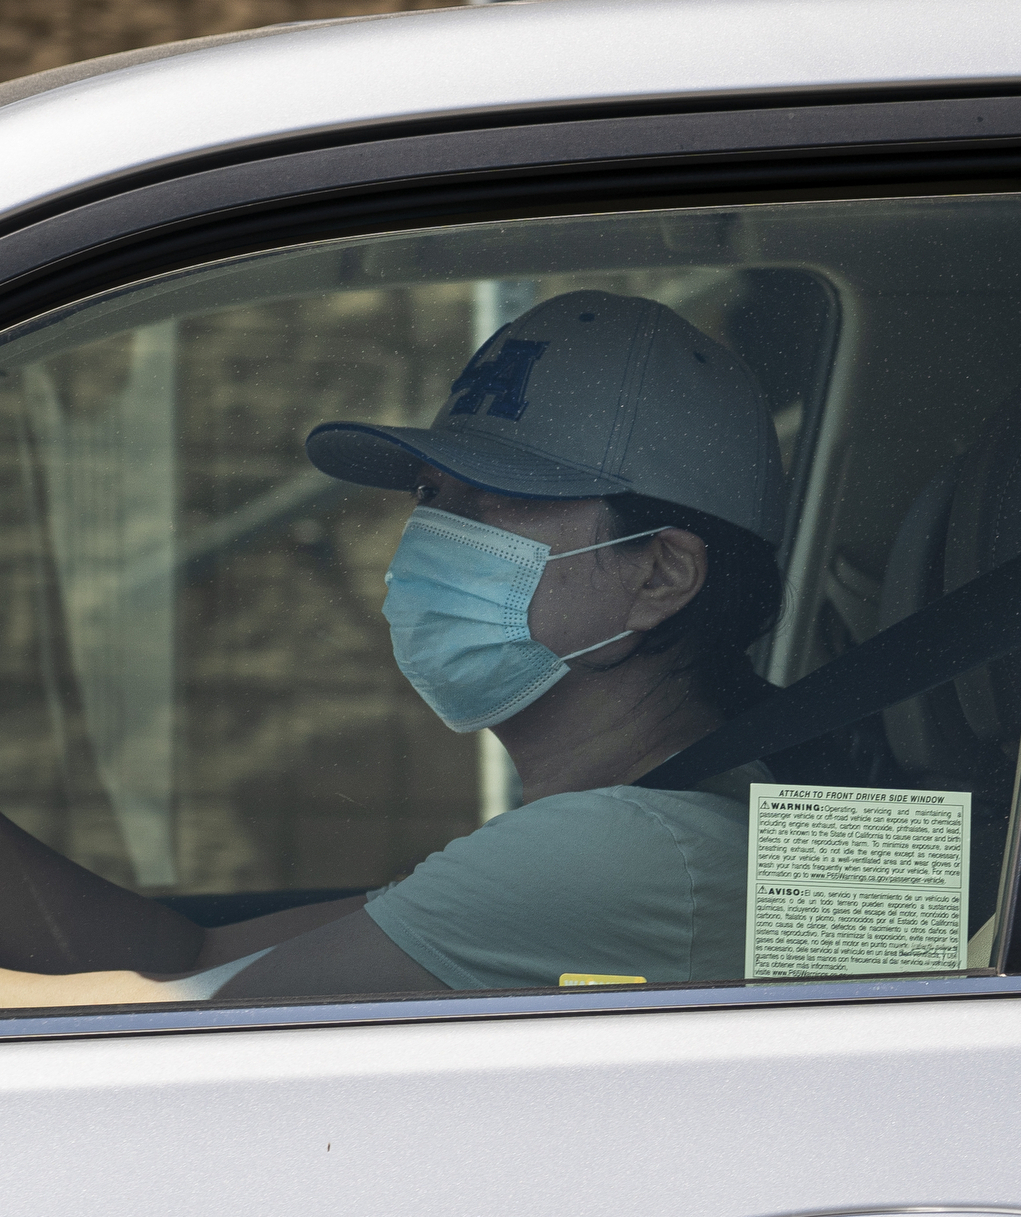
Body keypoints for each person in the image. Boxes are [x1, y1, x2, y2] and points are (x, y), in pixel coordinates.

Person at [0, 289, 788, 1006]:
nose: (433, 536)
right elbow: (195, 954)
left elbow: (168, 1020)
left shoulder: (619, 853)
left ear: (661, 574)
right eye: (432, 494)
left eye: (502, 497)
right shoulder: (651, 823)